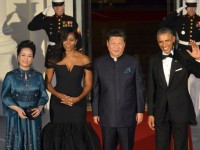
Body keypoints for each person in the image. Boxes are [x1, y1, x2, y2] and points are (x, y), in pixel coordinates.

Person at [40, 28, 100, 150]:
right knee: (58, 133)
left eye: (71, 40)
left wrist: (77, 99)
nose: (68, 43)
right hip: (58, 103)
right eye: (65, 40)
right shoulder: (54, 58)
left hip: (78, 102)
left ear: (76, 41)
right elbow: (47, 83)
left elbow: (88, 84)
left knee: (78, 133)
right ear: (61, 41)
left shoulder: (84, 59)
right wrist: (59, 95)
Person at [92, 29, 145, 150]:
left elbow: (139, 88)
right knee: (108, 147)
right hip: (107, 115)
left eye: (119, 43)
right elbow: (95, 89)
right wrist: (95, 112)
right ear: (107, 44)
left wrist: (140, 110)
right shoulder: (99, 63)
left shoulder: (133, 62)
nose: (116, 47)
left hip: (128, 115)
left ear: (124, 44)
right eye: (113, 43)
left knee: (127, 146)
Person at [147, 27, 200, 150]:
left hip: (180, 110)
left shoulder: (183, 57)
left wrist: (198, 58)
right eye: (160, 41)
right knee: (161, 146)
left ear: (173, 39)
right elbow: (151, 87)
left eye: (167, 40)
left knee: (181, 146)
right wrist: (150, 113)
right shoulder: (153, 59)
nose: (164, 44)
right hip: (160, 111)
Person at [1, 40, 49, 150]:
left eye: (29, 56)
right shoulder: (10, 76)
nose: (26, 59)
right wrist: (17, 109)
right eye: (23, 55)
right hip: (16, 116)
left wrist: (39, 108)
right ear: (18, 57)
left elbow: (43, 95)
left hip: (33, 116)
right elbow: (5, 96)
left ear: (32, 58)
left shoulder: (38, 76)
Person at [160, 0, 200, 124]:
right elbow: (164, 24)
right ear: (186, 8)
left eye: (193, 7)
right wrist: (176, 12)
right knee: (180, 85)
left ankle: (194, 114)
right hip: (182, 54)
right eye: (189, 7)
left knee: (196, 87)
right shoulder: (179, 19)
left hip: (197, 53)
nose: (191, 10)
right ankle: (183, 114)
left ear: (196, 8)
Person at [28, 0, 82, 68]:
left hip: (66, 51)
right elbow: (31, 27)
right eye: (55, 6)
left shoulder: (70, 20)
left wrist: (78, 51)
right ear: (53, 7)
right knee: (49, 76)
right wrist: (43, 12)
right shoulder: (48, 20)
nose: (58, 8)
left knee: (65, 74)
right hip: (52, 51)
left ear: (63, 6)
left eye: (60, 6)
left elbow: (78, 36)